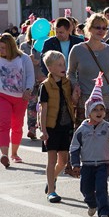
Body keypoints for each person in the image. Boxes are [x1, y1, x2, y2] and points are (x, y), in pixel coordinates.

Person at [69, 75, 109, 217]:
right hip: (87, 164)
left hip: (102, 164)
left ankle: (104, 212)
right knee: (85, 189)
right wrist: (75, 164)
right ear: (88, 112)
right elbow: (74, 147)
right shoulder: (82, 129)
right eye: (95, 109)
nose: (99, 112)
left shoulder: (108, 127)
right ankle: (91, 204)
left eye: (101, 109)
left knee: (101, 188)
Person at [0, 33, 35, 168]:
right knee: (3, 126)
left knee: (17, 126)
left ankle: (14, 153)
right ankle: (4, 155)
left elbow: (30, 76)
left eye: (4, 48)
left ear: (11, 47)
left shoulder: (24, 59)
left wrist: (28, 89)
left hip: (20, 98)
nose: (1, 50)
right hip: (1, 96)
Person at [68, 14, 109, 125]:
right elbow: (70, 73)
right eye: (98, 27)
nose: (101, 30)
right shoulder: (77, 49)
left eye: (104, 28)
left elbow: (108, 75)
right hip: (87, 98)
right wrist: (75, 85)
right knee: (87, 137)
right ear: (89, 28)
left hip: (108, 99)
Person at [38, 51, 75, 203]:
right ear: (50, 68)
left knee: (64, 160)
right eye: (59, 65)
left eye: (64, 64)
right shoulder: (45, 86)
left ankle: (51, 179)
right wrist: (43, 130)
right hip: (51, 127)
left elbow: (71, 101)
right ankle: (51, 192)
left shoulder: (67, 83)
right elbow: (43, 109)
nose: (63, 67)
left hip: (66, 125)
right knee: (52, 159)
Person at [20, 27, 46, 140]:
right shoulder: (24, 46)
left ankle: (42, 128)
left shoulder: (46, 43)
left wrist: (38, 62)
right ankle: (31, 129)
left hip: (43, 79)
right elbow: (20, 62)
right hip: (30, 80)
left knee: (43, 106)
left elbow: (50, 59)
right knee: (31, 106)